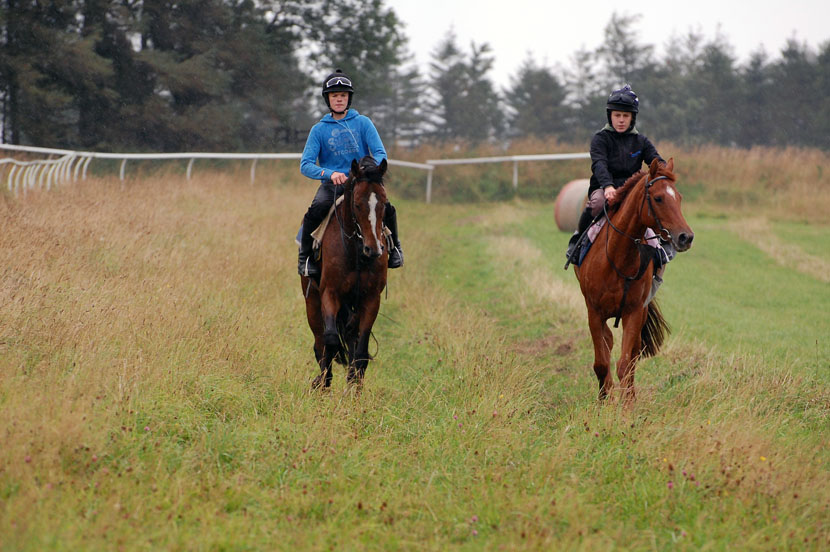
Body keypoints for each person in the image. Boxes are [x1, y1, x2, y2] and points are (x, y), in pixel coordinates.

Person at [565, 84, 671, 299]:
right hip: (605, 190)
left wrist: (663, 171)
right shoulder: (600, 139)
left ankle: (662, 251)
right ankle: (577, 242)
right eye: (617, 115)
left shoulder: (641, 141)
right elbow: (599, 165)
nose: (621, 120)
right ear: (610, 116)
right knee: (594, 205)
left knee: (652, 214)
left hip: (634, 193)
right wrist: (608, 187)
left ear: (632, 118)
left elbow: (655, 160)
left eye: (625, 115)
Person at [297, 69, 404, 277]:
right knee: (316, 209)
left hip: (363, 183)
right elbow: (306, 164)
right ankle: (305, 258)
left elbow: (380, 152)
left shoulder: (363, 123)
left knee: (387, 208)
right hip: (333, 185)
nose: (339, 99)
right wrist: (329, 174)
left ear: (349, 98)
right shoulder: (318, 130)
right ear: (328, 99)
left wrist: (370, 170)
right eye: (335, 96)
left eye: (343, 95)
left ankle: (395, 248)